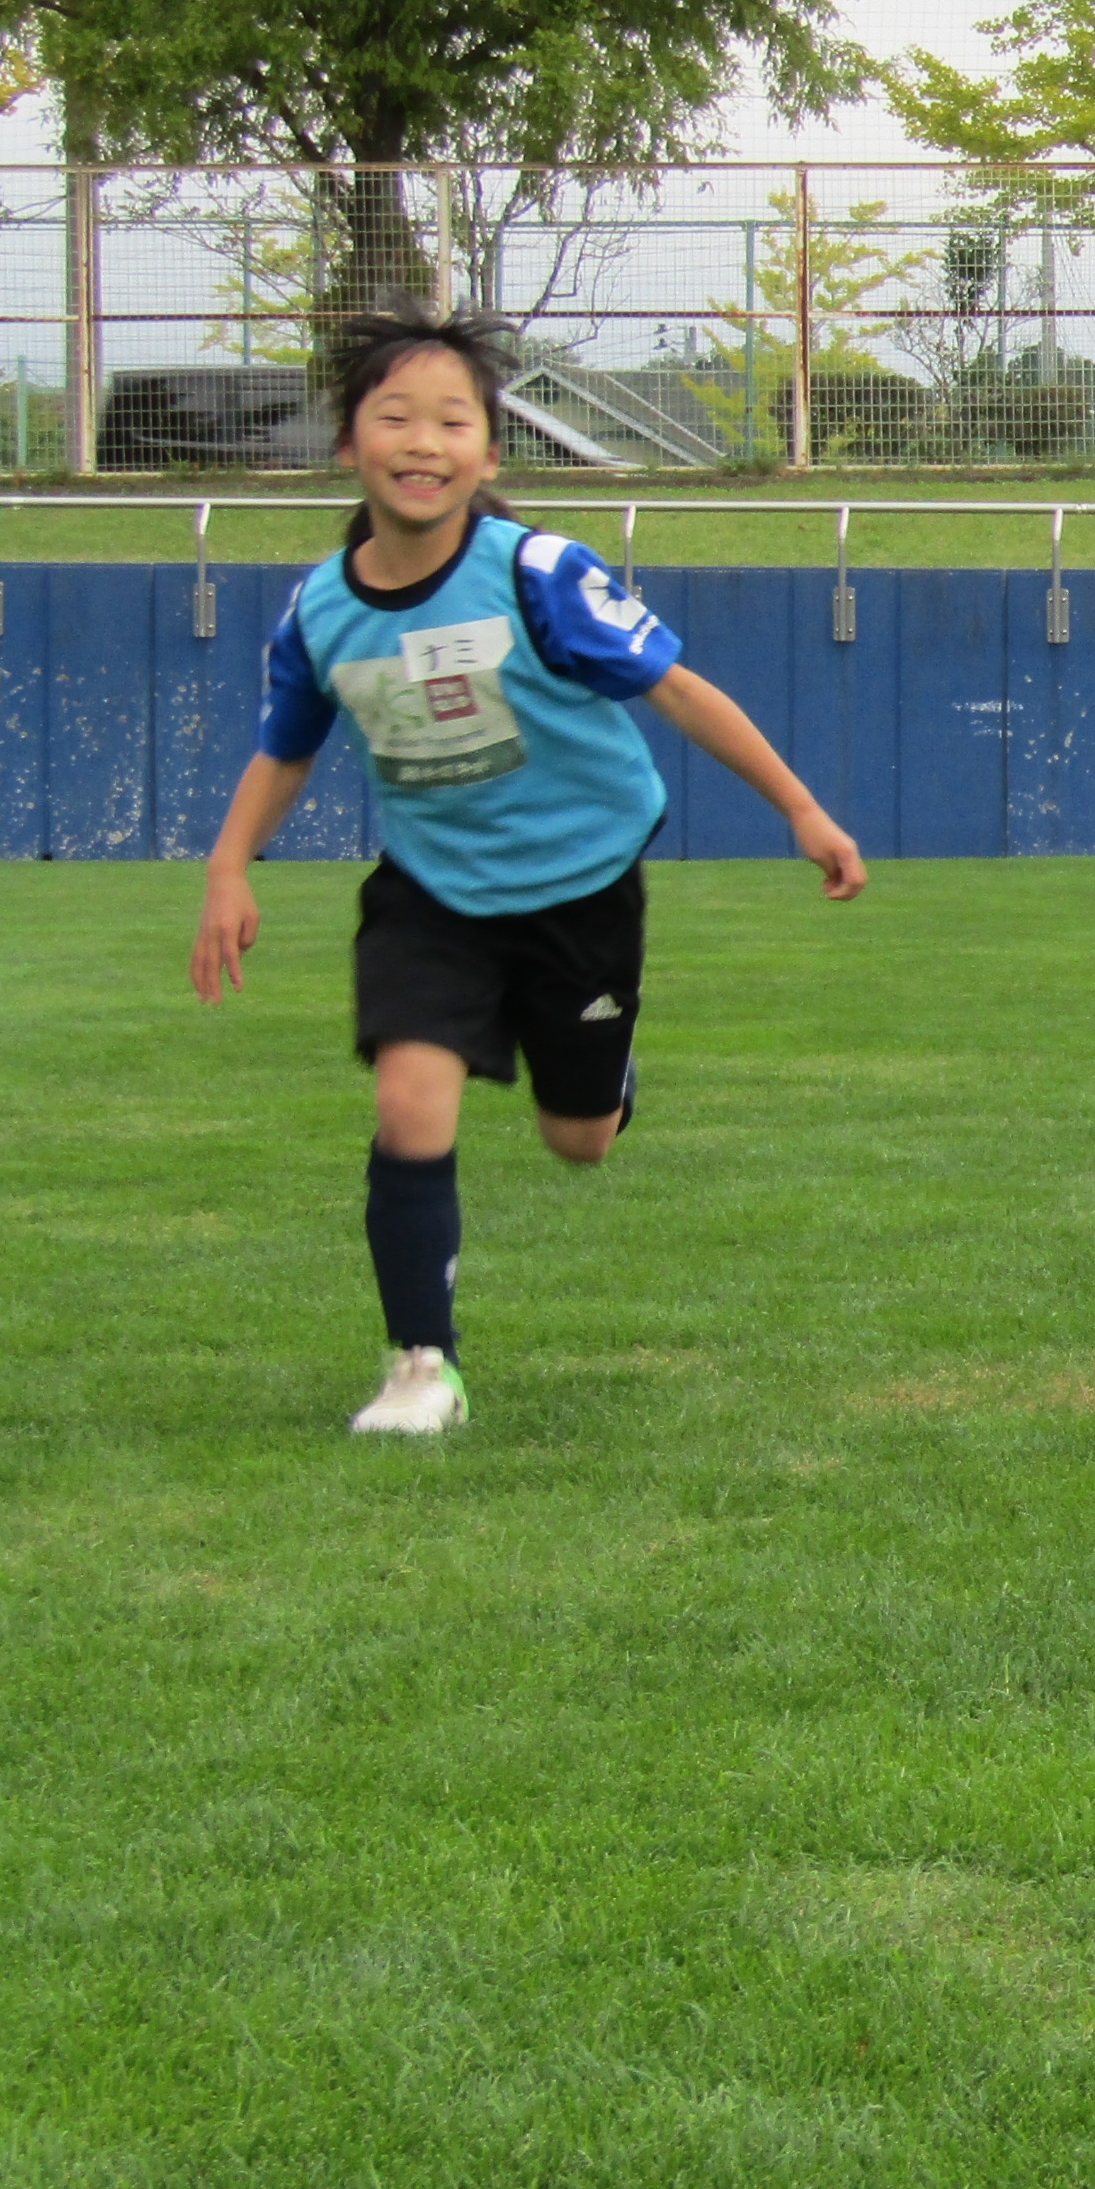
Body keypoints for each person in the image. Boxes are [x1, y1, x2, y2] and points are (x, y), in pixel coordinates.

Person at [190, 302, 864, 1436]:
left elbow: (677, 690)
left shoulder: (541, 575)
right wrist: (228, 867)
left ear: (490, 455)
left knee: (578, 1140)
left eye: (453, 420)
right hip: (433, 892)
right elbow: (287, 748)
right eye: (394, 417)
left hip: (581, 887)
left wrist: (800, 809)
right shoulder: (318, 610)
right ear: (349, 443)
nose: (423, 441)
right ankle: (423, 1368)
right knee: (409, 1101)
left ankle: (606, 1072)